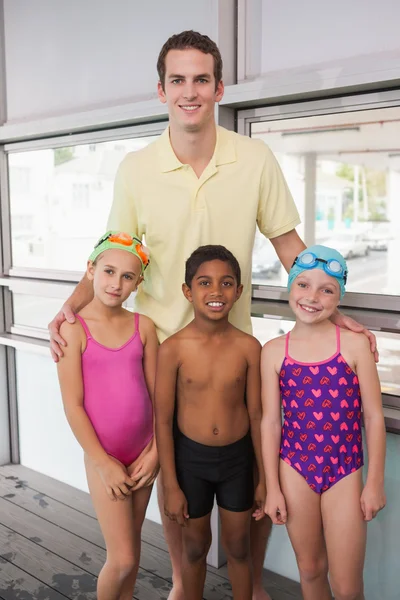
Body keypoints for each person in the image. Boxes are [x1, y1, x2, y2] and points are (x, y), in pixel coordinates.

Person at [48, 30, 377, 600]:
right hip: (161, 358)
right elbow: (112, 254)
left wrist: (329, 310)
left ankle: (246, 587)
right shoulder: (136, 169)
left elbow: (288, 245)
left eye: (202, 79)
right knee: (183, 498)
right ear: (161, 91)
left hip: (235, 353)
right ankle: (184, 585)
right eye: (178, 80)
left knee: (249, 468)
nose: (190, 91)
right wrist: (68, 308)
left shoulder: (254, 159)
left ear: (219, 88)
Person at [261, 245, 386, 600]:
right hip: (294, 467)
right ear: (290, 288)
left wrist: (374, 481)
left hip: (344, 470)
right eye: (303, 285)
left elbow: (373, 417)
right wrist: (272, 488)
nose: (312, 297)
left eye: (326, 289)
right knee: (311, 570)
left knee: (347, 586)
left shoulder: (354, 345)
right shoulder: (273, 351)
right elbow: (271, 422)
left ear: (339, 298)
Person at [155, 245, 265, 600]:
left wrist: (263, 479)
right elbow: (163, 418)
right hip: (191, 462)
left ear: (239, 291)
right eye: (205, 282)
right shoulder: (173, 348)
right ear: (188, 291)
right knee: (194, 548)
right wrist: (170, 484)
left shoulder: (249, 347)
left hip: (237, 461)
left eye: (226, 282)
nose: (216, 291)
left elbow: (257, 414)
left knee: (238, 548)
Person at [56, 231, 159, 600]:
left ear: (138, 282)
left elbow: (160, 397)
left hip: (145, 456)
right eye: (109, 271)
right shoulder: (74, 329)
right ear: (91, 270)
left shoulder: (143, 327)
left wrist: (157, 451)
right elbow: (74, 405)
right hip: (106, 458)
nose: (116, 283)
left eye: (127, 276)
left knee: (132, 554)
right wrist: (103, 463)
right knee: (122, 557)